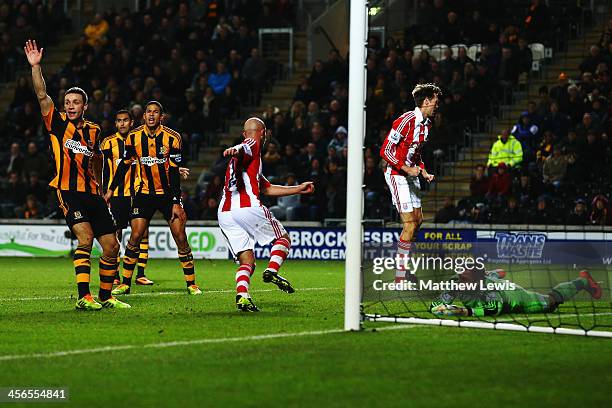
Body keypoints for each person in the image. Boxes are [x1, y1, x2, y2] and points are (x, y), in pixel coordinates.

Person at [24, 39, 128, 310]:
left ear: (84, 107)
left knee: (112, 246)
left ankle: (106, 296)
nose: (70, 106)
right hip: (68, 191)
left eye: (75, 103)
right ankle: (84, 296)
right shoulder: (56, 122)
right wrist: (36, 67)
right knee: (85, 239)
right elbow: (41, 95)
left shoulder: (94, 131)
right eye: (67, 102)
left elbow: (96, 162)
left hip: (93, 193)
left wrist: (104, 189)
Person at [218, 117, 315, 312]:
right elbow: (247, 146)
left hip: (225, 212)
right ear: (264, 133)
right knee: (283, 239)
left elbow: (267, 188)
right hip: (247, 207)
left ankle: (243, 296)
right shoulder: (252, 145)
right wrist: (236, 149)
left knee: (247, 261)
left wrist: (297, 189)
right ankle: (271, 270)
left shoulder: (250, 165)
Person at [105, 101, 201, 296]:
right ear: (144, 116)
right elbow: (124, 164)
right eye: (148, 112)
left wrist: (176, 201)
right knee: (136, 235)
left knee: (180, 236)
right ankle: (125, 283)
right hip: (144, 194)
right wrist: (111, 189)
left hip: (167, 195)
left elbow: (174, 172)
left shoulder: (172, 138)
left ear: (161, 117)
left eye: (155, 112)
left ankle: (191, 284)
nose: (151, 115)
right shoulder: (133, 137)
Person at [379, 83, 441, 284]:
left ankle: (403, 266)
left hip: (412, 174)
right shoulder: (405, 121)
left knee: (419, 221)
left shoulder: (428, 125)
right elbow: (385, 151)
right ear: (426, 102)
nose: (437, 106)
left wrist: (422, 170)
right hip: (397, 175)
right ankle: (399, 277)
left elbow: (416, 153)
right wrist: (406, 169)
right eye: (435, 102)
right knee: (410, 224)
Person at [430, 267, 601, 317]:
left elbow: (494, 309)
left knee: (551, 302)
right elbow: (436, 303)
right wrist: (438, 308)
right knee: (493, 277)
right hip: (489, 279)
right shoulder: (456, 282)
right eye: (461, 278)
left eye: (465, 280)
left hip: (514, 296)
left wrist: (464, 311)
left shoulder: (488, 289)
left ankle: (583, 281)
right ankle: (495, 273)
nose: (461, 282)